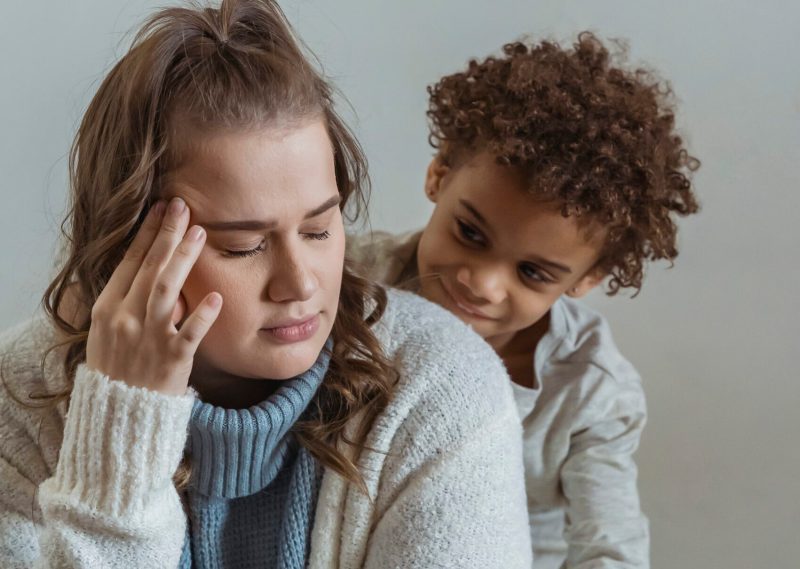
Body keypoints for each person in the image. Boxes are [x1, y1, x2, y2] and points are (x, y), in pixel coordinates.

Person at [0, 1, 532, 567]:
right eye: (243, 245)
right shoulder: (21, 400)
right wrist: (122, 431)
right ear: (127, 245)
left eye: (320, 229)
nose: (300, 283)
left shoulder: (441, 390)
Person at [349, 34, 700, 569]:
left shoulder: (592, 390)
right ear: (438, 175)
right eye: (470, 233)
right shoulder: (350, 279)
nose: (483, 285)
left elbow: (609, 546)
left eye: (533, 273)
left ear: (588, 278)